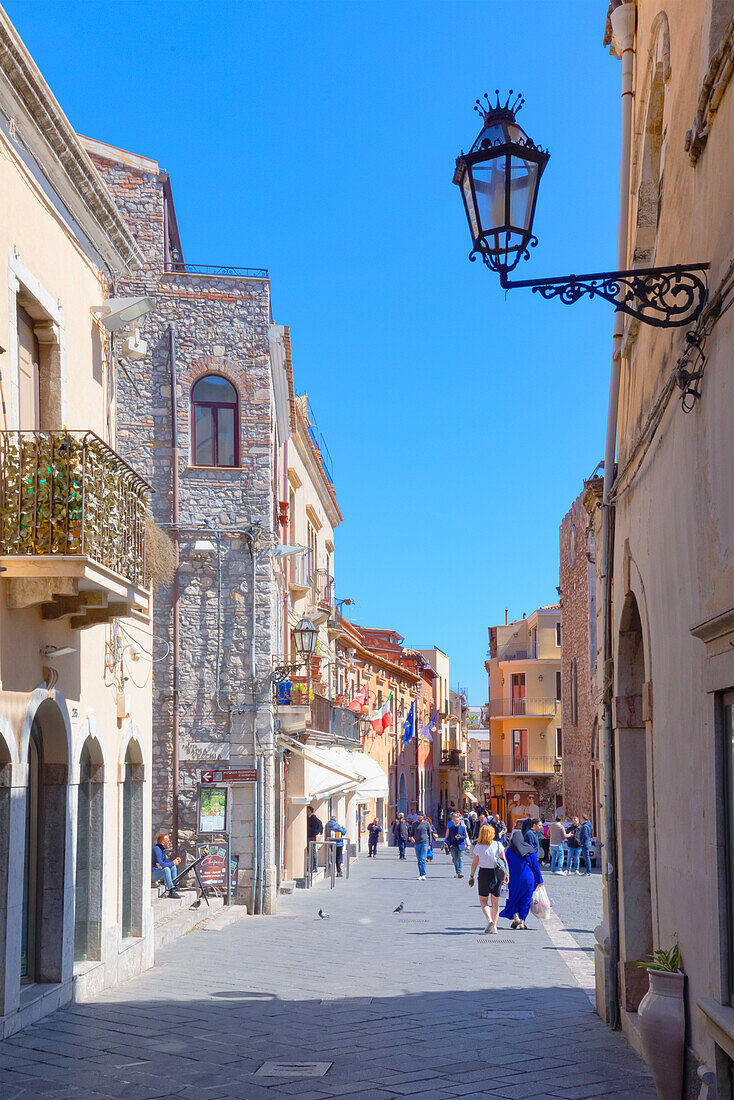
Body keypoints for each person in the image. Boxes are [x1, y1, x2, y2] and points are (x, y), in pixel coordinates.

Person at [499, 828, 543, 929]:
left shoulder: (509, 851)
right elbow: (535, 867)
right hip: (528, 879)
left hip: (513, 879)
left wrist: (503, 878)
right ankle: (522, 922)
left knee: (512, 898)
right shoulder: (530, 850)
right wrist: (539, 881)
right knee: (526, 899)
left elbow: (505, 865)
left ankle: (516, 917)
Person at [468, 822, 507, 933]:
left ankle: (489, 919)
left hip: (484, 873)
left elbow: (475, 863)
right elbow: (504, 861)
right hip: (497, 874)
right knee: (495, 902)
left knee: (483, 900)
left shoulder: (478, 847)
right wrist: (507, 874)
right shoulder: (499, 845)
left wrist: (471, 876)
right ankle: (494, 926)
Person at [152, 832, 182, 898]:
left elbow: (165, 862)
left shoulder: (162, 849)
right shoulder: (156, 849)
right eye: (168, 841)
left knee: (173, 867)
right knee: (166, 869)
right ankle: (171, 890)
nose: (169, 843)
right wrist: (173, 862)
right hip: (153, 874)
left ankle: (175, 885)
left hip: (158, 872)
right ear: (163, 842)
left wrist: (174, 862)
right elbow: (160, 865)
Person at [408, 811, 436, 880]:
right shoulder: (414, 824)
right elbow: (411, 833)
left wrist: (430, 844)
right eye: (418, 817)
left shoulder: (426, 824)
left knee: (423, 859)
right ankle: (420, 874)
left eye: (420, 817)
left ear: (423, 817)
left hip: (425, 842)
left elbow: (429, 835)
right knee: (419, 859)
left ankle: (423, 874)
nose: (419, 818)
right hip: (417, 843)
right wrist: (411, 838)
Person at [445, 810, 470, 878]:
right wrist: (449, 844)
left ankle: (460, 872)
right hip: (453, 845)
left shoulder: (462, 828)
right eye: (455, 821)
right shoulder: (451, 828)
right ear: (453, 821)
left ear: (459, 821)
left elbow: (465, 836)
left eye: (457, 821)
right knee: (456, 859)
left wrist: (460, 837)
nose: (456, 822)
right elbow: (449, 837)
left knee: (460, 858)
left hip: (461, 845)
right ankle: (457, 872)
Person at [306, 805, 323, 873]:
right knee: (311, 852)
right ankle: (311, 866)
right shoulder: (310, 818)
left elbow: (313, 828)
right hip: (311, 836)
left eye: (307, 811)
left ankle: (314, 867)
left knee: (313, 852)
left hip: (311, 837)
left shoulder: (313, 818)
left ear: (310, 811)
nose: (306, 812)